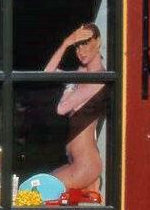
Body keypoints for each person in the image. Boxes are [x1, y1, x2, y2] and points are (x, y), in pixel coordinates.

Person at [43, 23, 106, 192]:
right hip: (76, 162)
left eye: (85, 43)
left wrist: (70, 84)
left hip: (85, 165)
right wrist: (66, 43)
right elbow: (47, 73)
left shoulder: (99, 78)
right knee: (39, 189)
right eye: (77, 46)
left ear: (98, 42)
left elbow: (62, 108)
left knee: (38, 191)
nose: (81, 51)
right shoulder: (81, 74)